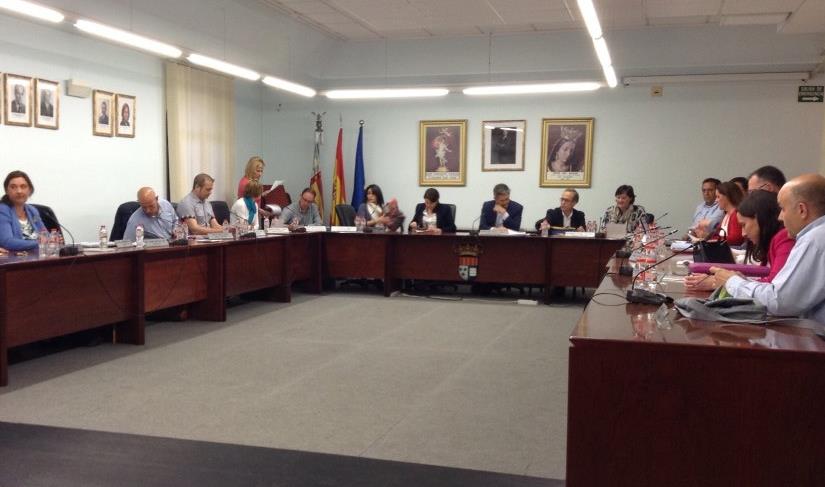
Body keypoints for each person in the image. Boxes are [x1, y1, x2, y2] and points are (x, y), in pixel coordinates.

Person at [711, 174, 825, 323]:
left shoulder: (815, 239)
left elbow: (780, 301)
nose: (780, 217)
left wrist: (732, 282)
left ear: (802, 210)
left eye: (783, 209)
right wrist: (744, 282)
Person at [685, 190, 794, 290]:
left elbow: (773, 289)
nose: (743, 233)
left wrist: (721, 283)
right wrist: (732, 280)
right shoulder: (776, 240)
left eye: (743, 225)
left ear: (760, 218)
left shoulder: (784, 238)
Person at [0, 170, 46, 252]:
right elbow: (7, 242)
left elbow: (44, 233)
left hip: (38, 256)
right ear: (7, 191)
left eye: (23, 186)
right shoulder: (3, 211)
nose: (19, 191)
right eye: (13, 187)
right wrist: (38, 243)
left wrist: (53, 239)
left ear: (30, 190)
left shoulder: (32, 211)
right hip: (16, 258)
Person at [708, 181, 744, 245]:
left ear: (727, 196)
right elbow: (717, 235)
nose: (716, 200)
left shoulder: (736, 214)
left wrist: (714, 239)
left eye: (718, 197)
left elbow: (736, 239)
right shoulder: (726, 215)